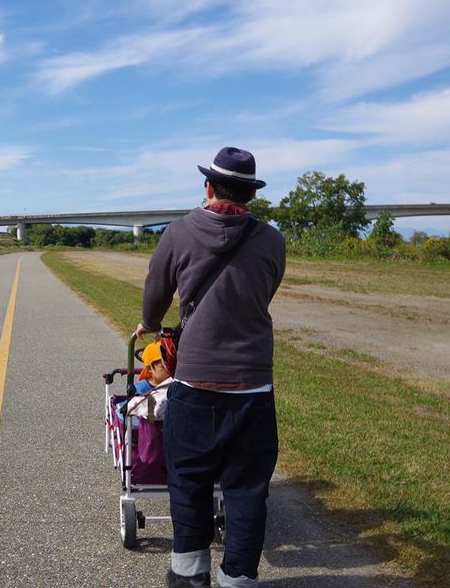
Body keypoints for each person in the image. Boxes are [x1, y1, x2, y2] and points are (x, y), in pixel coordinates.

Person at [136, 147, 286, 588]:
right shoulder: (272, 239)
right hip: (253, 387)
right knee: (247, 490)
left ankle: (189, 576)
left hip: (196, 385)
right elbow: (265, 290)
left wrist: (149, 320)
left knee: (189, 483)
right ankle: (238, 578)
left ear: (208, 186)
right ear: (251, 194)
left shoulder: (179, 233)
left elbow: (156, 293)